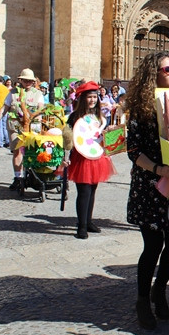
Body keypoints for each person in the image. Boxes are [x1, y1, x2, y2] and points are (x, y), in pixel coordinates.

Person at [124, 52, 169, 330]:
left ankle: (159, 289)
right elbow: (134, 151)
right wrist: (161, 171)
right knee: (153, 245)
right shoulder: (141, 108)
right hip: (149, 185)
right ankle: (141, 300)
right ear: (154, 75)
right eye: (168, 69)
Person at [64, 81, 115, 239]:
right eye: (89, 97)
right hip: (81, 159)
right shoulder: (75, 117)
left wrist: (109, 132)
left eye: (95, 97)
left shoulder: (99, 116)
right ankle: (82, 226)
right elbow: (68, 140)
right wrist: (65, 157)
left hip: (96, 157)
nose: (93, 100)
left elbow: (99, 135)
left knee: (92, 190)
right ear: (82, 99)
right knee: (84, 192)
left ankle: (88, 220)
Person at [0, 68, 44, 190]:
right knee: (17, 151)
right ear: (20, 80)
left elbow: (41, 110)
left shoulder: (38, 94)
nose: (27, 83)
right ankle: (18, 177)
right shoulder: (12, 93)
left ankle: (33, 175)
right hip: (15, 126)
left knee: (31, 151)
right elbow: (4, 109)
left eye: (30, 81)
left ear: (33, 82)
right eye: (25, 80)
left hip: (32, 127)